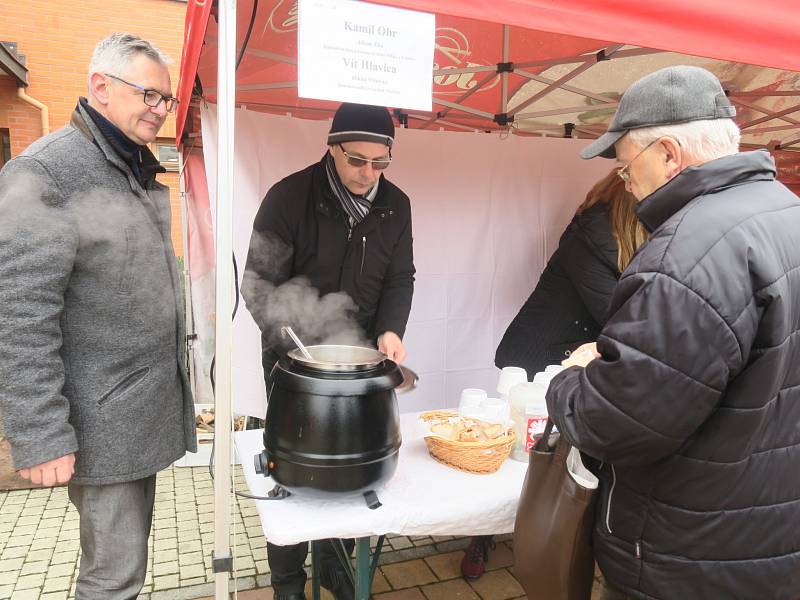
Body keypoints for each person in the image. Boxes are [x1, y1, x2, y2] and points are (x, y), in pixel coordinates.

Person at [546, 65, 800, 600]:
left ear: (667, 153)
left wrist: (569, 379)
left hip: (689, 555)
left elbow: (617, 425)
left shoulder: (687, 252)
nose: (626, 182)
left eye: (625, 166)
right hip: (771, 541)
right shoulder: (787, 212)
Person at [0, 33, 195, 599]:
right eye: (149, 96)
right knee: (113, 578)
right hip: (99, 423)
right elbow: (17, 317)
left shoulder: (126, 161)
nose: (159, 111)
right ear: (100, 88)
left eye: (166, 101)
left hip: (132, 412)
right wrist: (40, 435)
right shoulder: (47, 172)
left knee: (124, 570)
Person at [241, 102, 415, 600]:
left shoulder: (395, 205)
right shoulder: (289, 198)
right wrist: (292, 351)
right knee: (292, 474)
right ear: (332, 149)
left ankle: (336, 568)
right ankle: (289, 583)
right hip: (292, 360)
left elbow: (401, 275)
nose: (368, 173)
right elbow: (257, 285)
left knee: (353, 466)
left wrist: (390, 329)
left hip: (359, 359)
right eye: (357, 161)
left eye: (380, 162)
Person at [460, 170, 646, 580]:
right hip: (535, 357)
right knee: (512, 457)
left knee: (549, 458)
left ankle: (548, 531)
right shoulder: (592, 233)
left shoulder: (621, 236)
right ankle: (482, 536)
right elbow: (615, 311)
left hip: (565, 358)